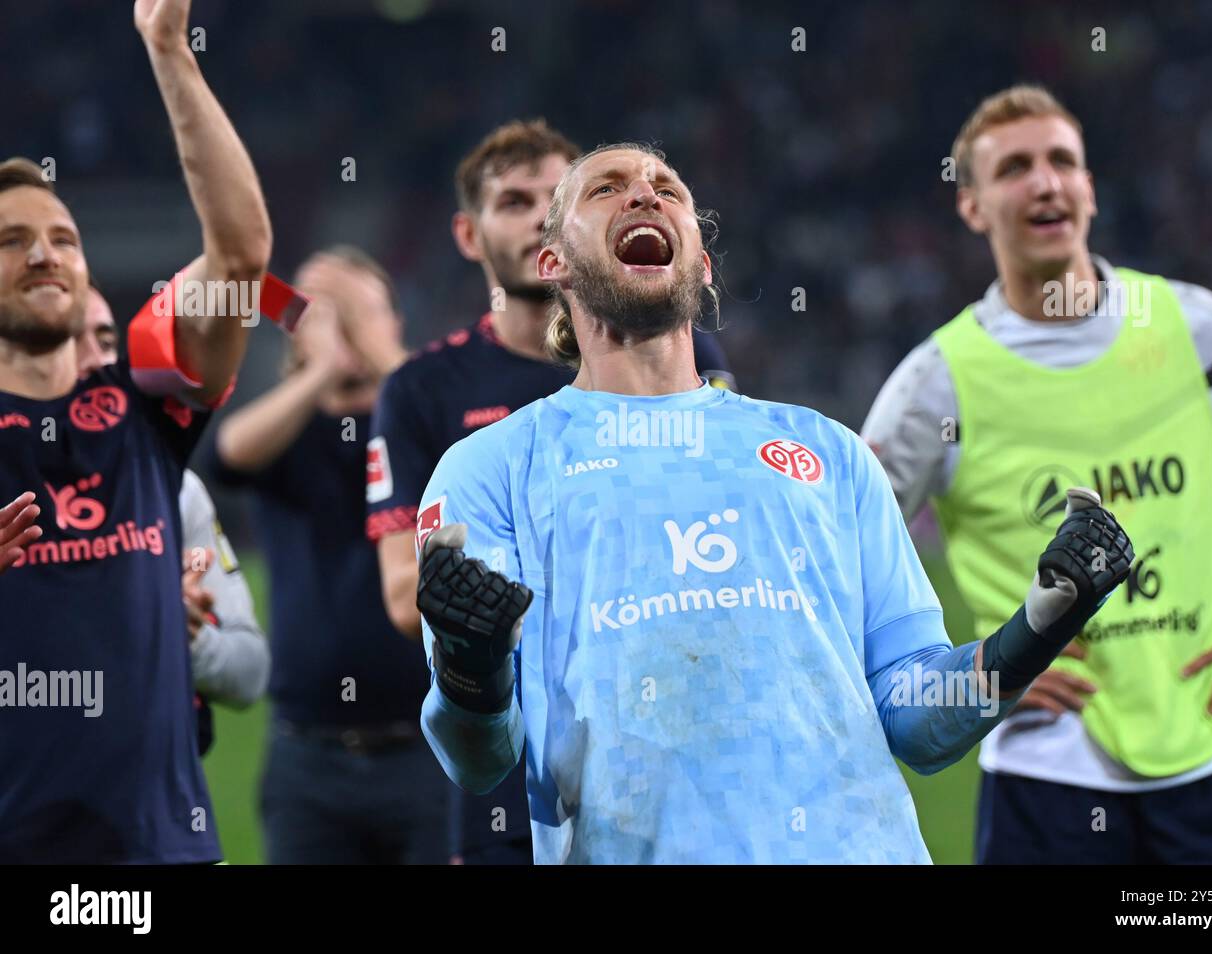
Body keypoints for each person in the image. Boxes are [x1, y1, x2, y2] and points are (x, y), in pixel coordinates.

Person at [411, 142, 1133, 863]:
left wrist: (1034, 631)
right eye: (605, 189)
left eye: (668, 188)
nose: (644, 194)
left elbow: (915, 721)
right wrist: (470, 667)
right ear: (552, 263)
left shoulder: (828, 453)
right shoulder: (492, 470)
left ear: (700, 264)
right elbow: (480, 759)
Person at [863, 85, 1212, 863]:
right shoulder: (938, 381)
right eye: (1015, 168)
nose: (1045, 182)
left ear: (1090, 188)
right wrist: (978, 666)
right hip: (1046, 780)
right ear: (972, 207)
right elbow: (849, 549)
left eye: (1063, 161)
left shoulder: (1192, 323)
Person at [367, 120, 734, 864]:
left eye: (553, 193)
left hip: (667, 739)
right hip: (502, 744)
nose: (538, 210)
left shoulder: (692, 360)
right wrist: (480, 626)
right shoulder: (423, 390)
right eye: (514, 200)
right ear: (469, 236)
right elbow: (410, 590)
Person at [0, 0, 271, 863]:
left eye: (63, 239)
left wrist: (169, 50)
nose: (45, 254)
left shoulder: (142, 408)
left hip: (161, 853)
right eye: (11, 240)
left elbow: (240, 258)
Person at [209, 248, 453, 864]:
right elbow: (225, 456)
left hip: (432, 745)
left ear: (394, 323)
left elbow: (479, 451)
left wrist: (379, 359)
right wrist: (318, 371)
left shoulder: (422, 425)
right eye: (321, 313)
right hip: (307, 758)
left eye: (357, 313)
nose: (338, 328)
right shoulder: (288, 435)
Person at [75, 286, 270, 756]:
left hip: (159, 805)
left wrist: (187, 634)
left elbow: (250, 672)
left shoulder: (176, 492)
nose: (94, 363)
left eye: (104, 342)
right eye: (65, 341)